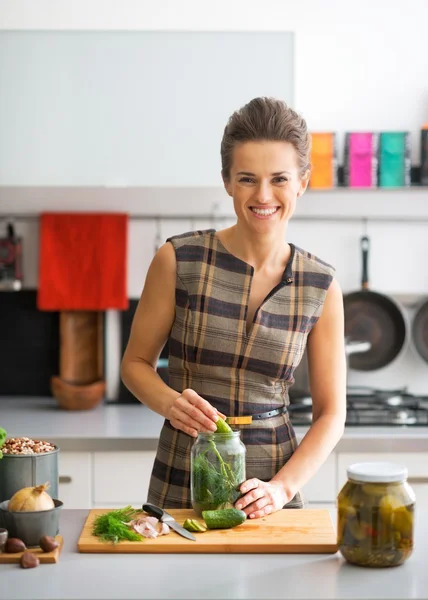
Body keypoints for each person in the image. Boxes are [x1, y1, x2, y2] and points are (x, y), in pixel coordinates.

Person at [121, 97, 347, 519]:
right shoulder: (179, 260)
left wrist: (282, 488)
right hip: (183, 470)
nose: (263, 195)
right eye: (247, 179)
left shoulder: (321, 285)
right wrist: (170, 404)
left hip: (272, 488)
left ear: (302, 181)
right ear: (227, 181)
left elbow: (332, 413)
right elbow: (134, 364)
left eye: (279, 178)